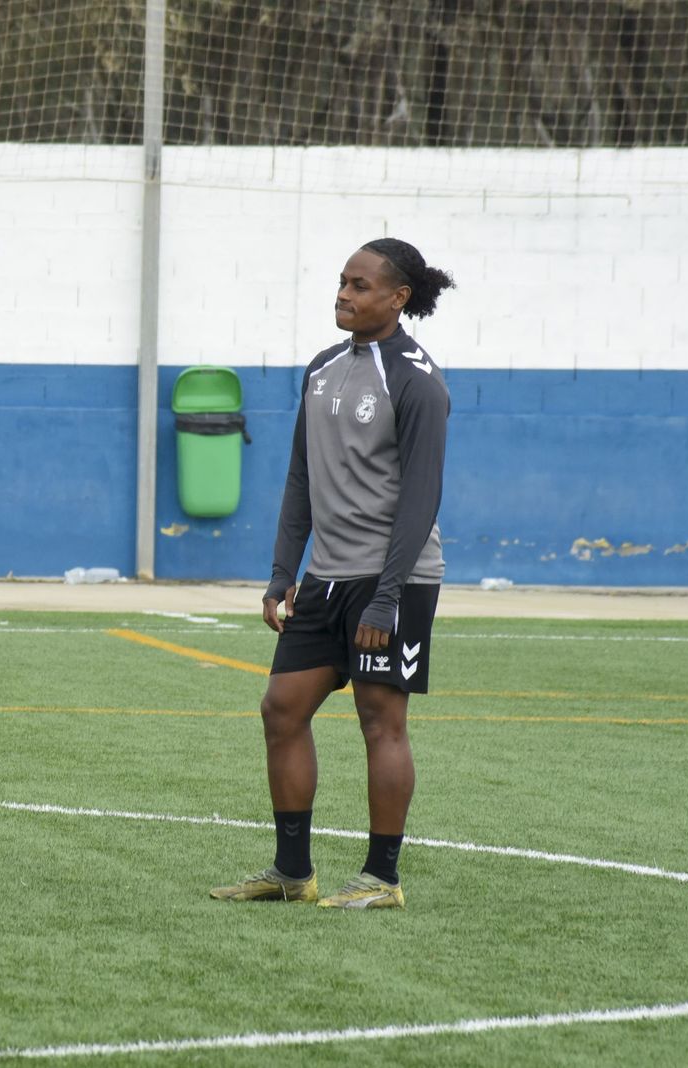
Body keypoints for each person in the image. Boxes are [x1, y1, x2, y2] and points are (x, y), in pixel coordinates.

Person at [210, 237, 454, 910]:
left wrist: (387, 598)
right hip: (324, 579)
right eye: (342, 282)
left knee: (381, 722)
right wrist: (281, 573)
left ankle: (382, 878)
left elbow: (421, 498)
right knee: (281, 709)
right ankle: (293, 873)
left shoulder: (416, 380)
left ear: (398, 298)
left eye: (360, 285)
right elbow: (300, 476)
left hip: (393, 579)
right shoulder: (321, 369)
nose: (344, 294)